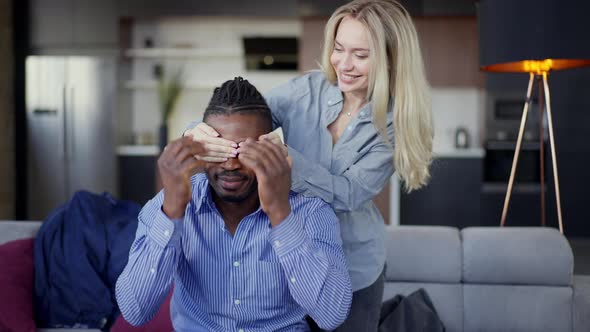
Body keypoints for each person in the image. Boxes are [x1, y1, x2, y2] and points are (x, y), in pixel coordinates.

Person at [184, 0, 433, 330]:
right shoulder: (306, 91)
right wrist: (198, 134)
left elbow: (348, 194)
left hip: (353, 265)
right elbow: (246, 117)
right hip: (289, 259)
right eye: (339, 49)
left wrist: (287, 164)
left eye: (360, 55)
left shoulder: (396, 122)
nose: (344, 64)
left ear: (391, 58)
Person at [116, 77, 353, 332]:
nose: (230, 165)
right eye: (220, 151)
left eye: (243, 151)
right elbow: (135, 311)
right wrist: (172, 210)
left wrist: (280, 213)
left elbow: (331, 315)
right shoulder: (170, 202)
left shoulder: (310, 212)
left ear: (270, 147)